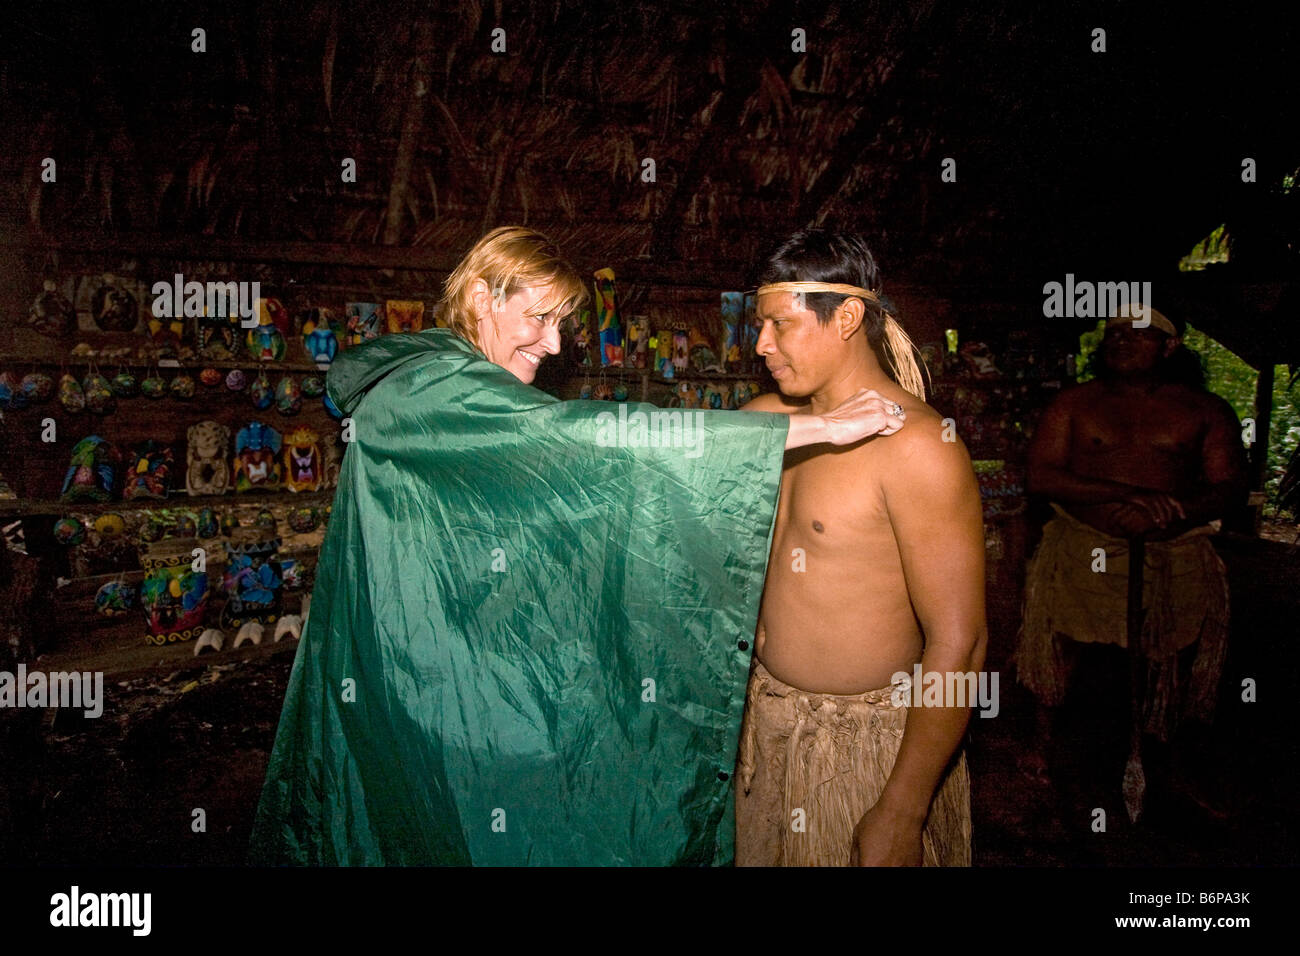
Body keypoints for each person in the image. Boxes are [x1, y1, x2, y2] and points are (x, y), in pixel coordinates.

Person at [248, 226, 906, 865]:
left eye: (561, 324)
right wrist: (810, 430)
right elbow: (587, 441)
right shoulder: (433, 391)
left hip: (412, 674)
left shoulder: (439, 382)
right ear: (480, 295)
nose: (553, 342)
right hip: (417, 685)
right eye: (538, 318)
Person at [735, 229, 984, 866]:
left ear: (846, 316)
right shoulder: (764, 424)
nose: (761, 345)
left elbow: (961, 640)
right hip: (766, 730)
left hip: (866, 750)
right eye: (758, 324)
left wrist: (903, 807)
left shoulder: (919, 448)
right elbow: (641, 453)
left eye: (778, 324)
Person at [1015, 303, 1247, 837]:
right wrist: (1129, 495)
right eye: (1115, 333)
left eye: (1139, 335)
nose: (1122, 341)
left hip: (1175, 551)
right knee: (1059, 647)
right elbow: (1042, 476)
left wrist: (1177, 508)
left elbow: (1230, 485)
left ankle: (1169, 754)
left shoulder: (1204, 410)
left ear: (1169, 348)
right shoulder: (1073, 403)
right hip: (1083, 545)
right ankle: (1042, 748)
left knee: (1175, 655)